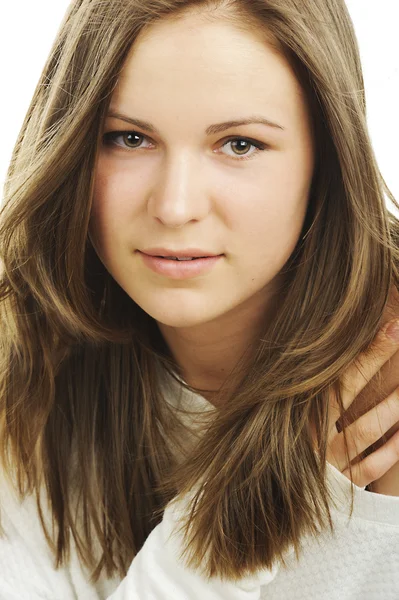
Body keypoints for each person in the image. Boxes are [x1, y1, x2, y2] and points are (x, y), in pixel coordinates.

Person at [0, 0, 399, 598]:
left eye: (239, 145)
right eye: (128, 138)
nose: (175, 205)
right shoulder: (28, 377)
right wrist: (231, 520)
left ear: (329, 159)